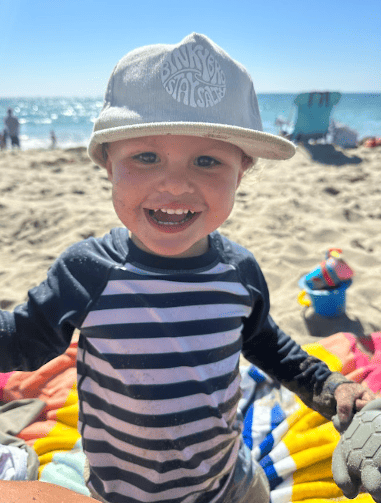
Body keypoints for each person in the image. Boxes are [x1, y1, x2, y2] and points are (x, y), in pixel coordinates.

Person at [0, 33, 376, 503]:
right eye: (146, 156)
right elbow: (22, 340)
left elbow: (267, 344)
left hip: (227, 479)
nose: (175, 184)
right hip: (122, 492)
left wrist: (328, 384)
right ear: (107, 164)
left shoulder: (239, 271)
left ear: (241, 172)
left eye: (206, 160)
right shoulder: (88, 271)